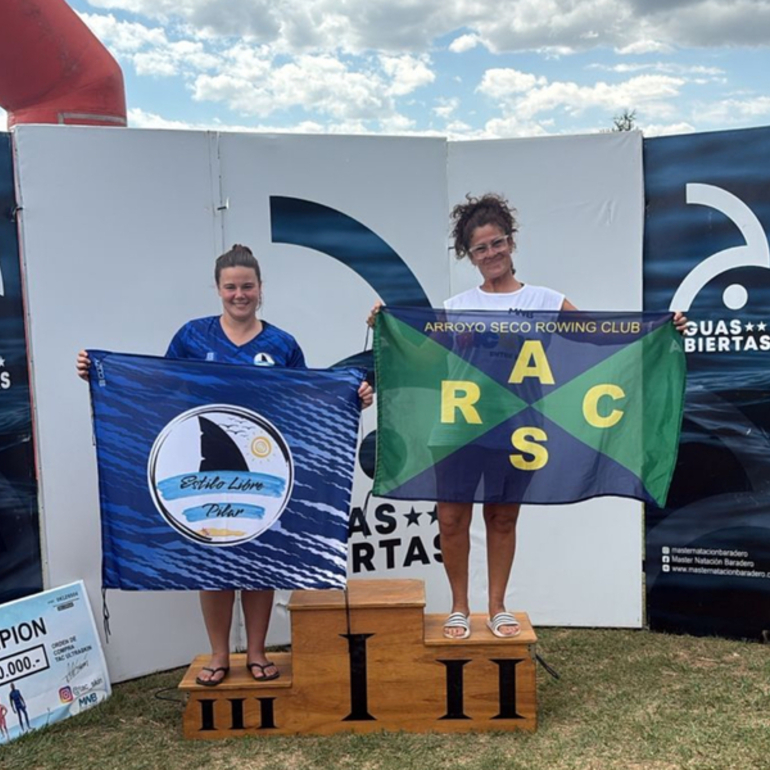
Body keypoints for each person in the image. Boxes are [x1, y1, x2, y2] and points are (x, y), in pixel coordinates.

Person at [369, 193, 686, 641]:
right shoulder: (457, 305)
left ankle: (497, 606)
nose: (491, 253)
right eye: (480, 248)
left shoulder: (545, 300)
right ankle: (459, 607)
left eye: (497, 243)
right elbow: (422, 359)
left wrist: (660, 327)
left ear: (511, 243)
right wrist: (387, 325)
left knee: (502, 518)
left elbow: (599, 335)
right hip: (457, 426)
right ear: (469, 256)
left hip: (517, 427)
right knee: (451, 520)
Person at [79, 244, 373, 685]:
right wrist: (102, 376)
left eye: (247, 286)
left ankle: (256, 654)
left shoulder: (282, 344)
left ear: (260, 289)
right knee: (212, 563)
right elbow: (161, 389)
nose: (240, 294)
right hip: (205, 477)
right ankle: (219, 655)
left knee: (259, 561)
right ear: (218, 289)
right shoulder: (192, 337)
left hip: (265, 470)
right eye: (231, 287)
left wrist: (353, 396)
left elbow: (306, 400)